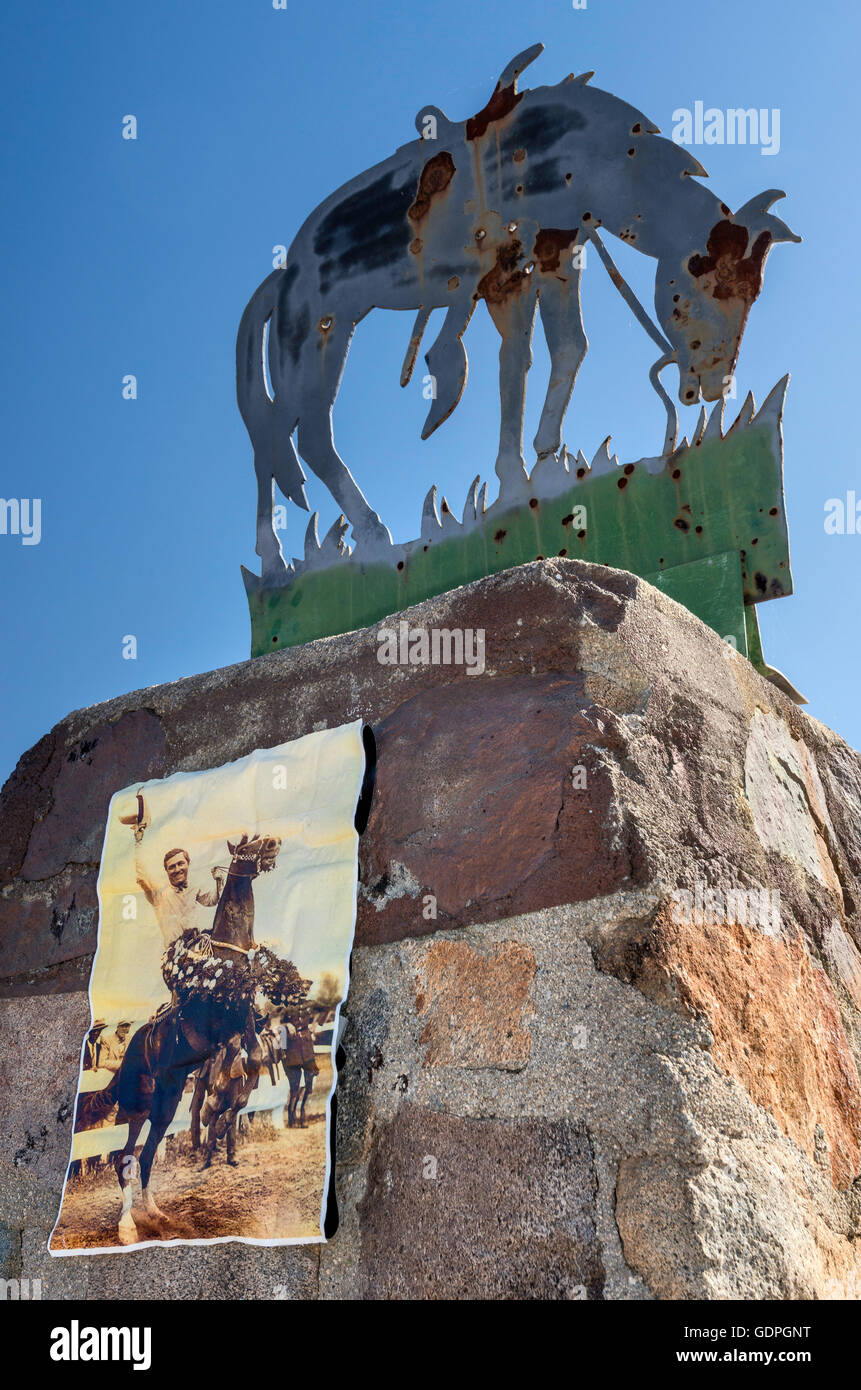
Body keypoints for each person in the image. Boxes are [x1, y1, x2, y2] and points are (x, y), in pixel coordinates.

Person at [134, 844, 225, 949]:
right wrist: (138, 843)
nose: (177, 869)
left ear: (188, 864)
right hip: (174, 955)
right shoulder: (159, 895)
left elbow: (211, 900)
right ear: (166, 871)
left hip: (198, 948)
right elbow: (142, 876)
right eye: (172, 867)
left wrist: (219, 881)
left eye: (180, 864)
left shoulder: (194, 888)